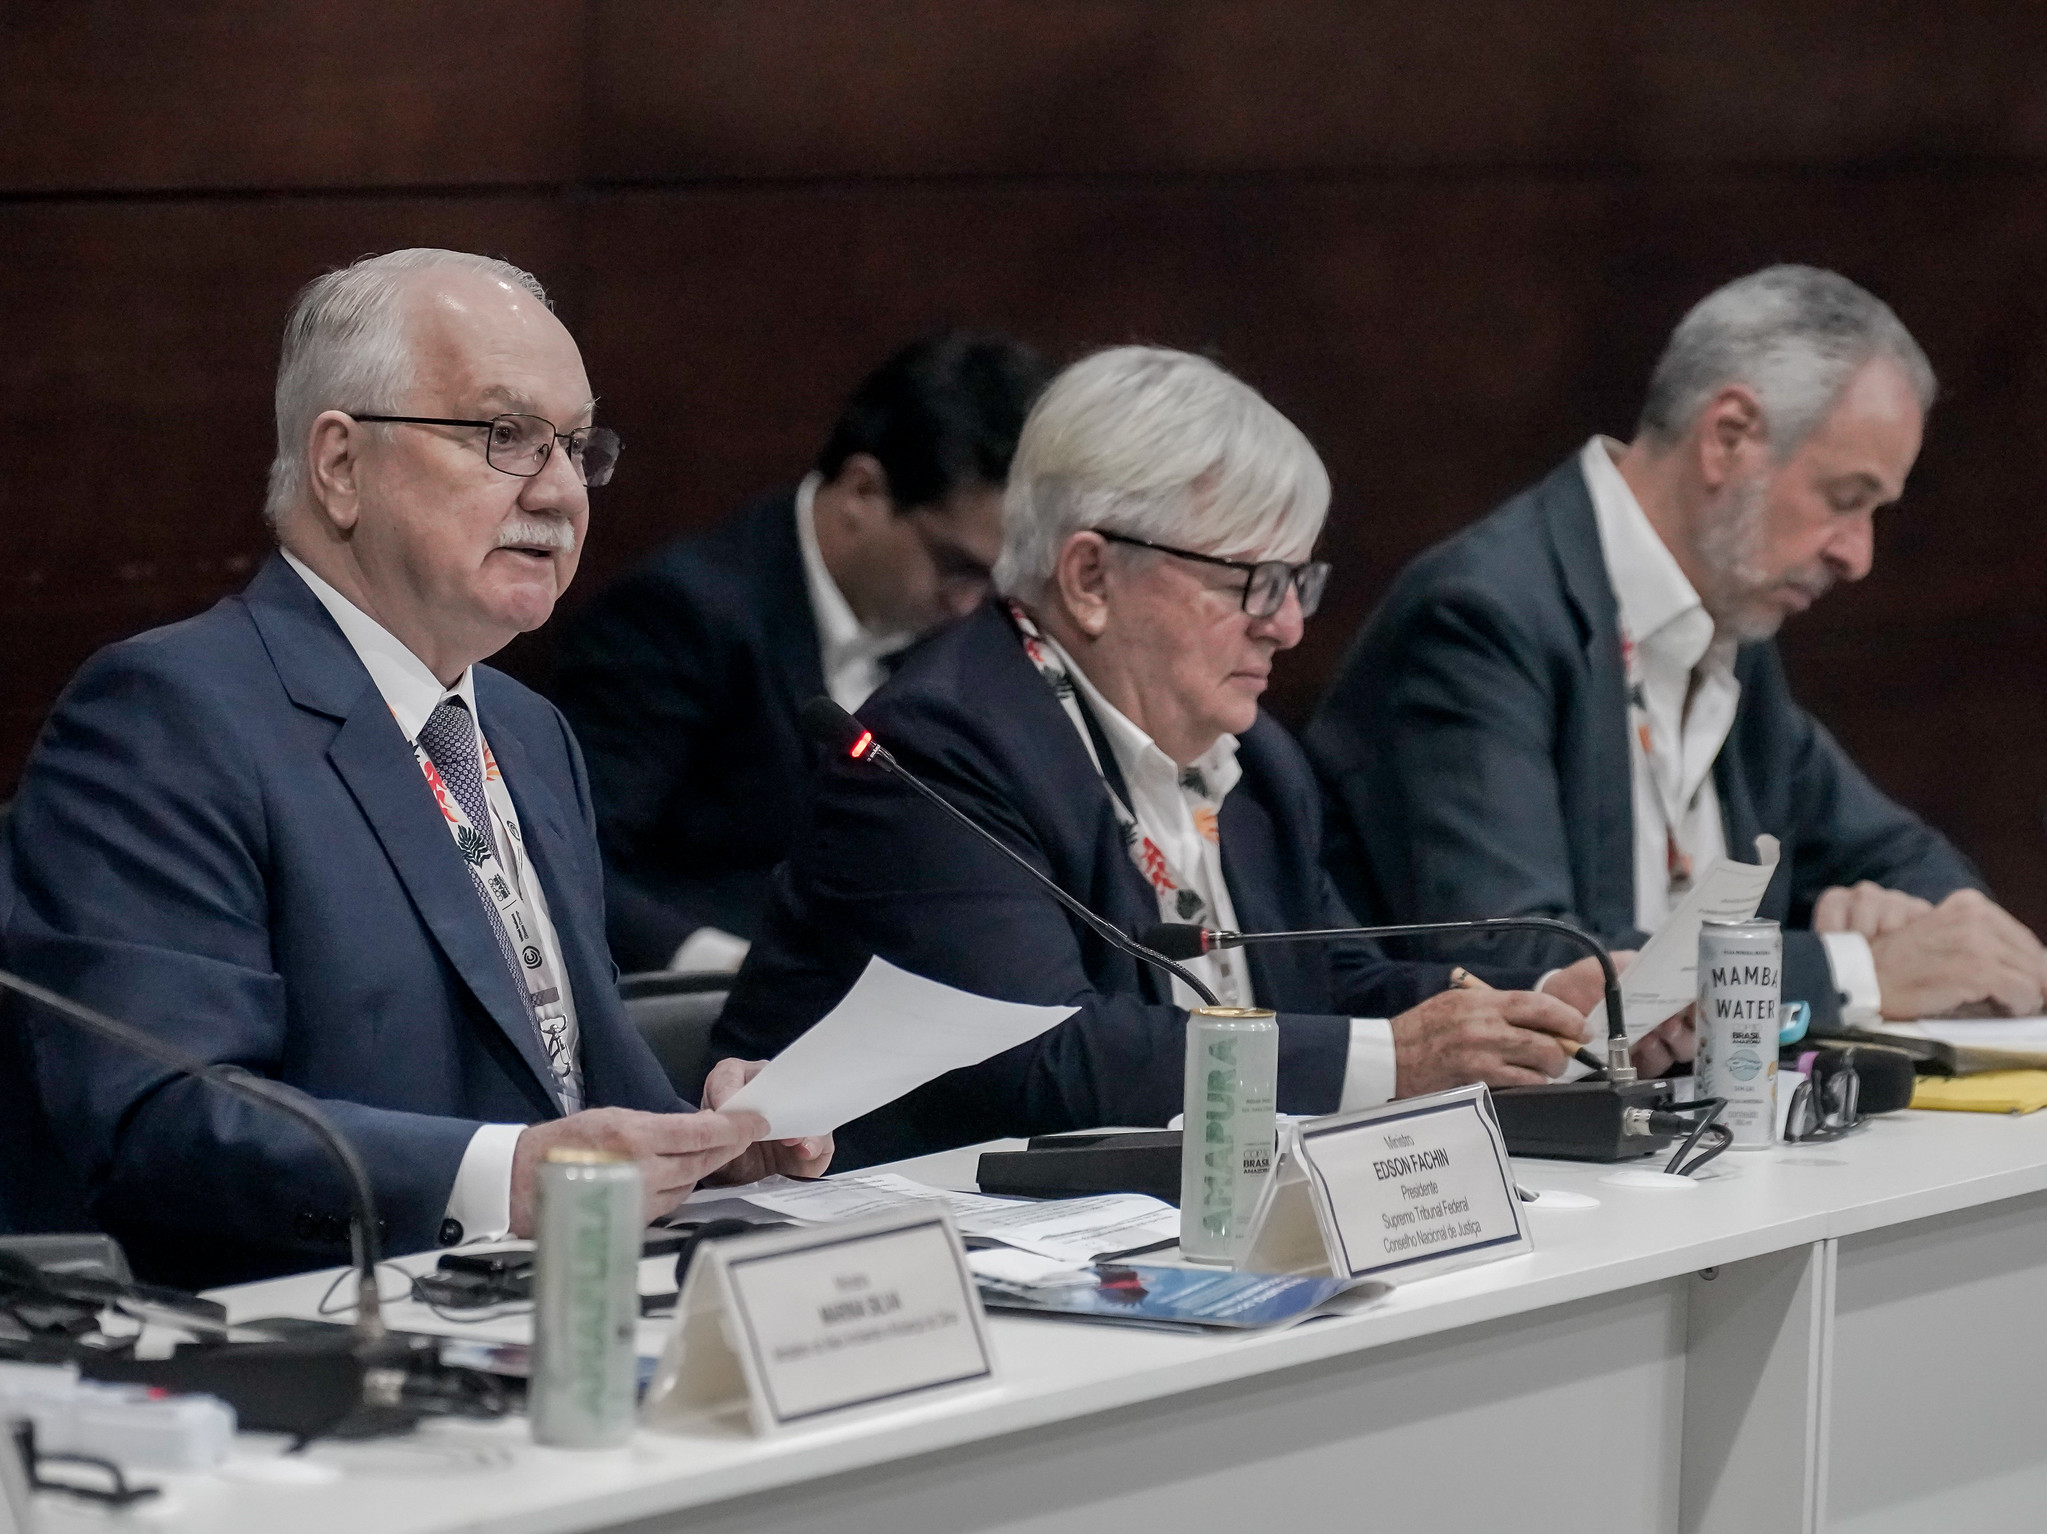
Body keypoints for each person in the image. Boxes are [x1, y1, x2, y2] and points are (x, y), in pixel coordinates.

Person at [1, 249, 827, 1287]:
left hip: (551, 1314)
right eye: (507, 437)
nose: (563, 492)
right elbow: (158, 1117)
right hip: (292, 1350)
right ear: (340, 464)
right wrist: (508, 1174)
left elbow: (565, 1079)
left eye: (575, 446)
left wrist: (703, 1144)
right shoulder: (169, 716)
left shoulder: (528, 731)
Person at [715, 346, 1640, 1170]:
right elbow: (1044, 1058)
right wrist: (1396, 1059)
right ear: (1090, 578)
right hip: (922, 1260)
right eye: (1252, 584)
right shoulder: (940, 751)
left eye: (1299, 580)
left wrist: (1531, 1006)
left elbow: (1333, 980)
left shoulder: (1255, 763)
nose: (1287, 624)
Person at [1307, 265, 2046, 1031]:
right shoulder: (1482, 615)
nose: (1856, 556)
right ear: (1728, 438)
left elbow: (1910, 864)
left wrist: (1916, 925)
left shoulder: (1729, 623)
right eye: (1844, 500)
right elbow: (1521, 961)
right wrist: (1858, 970)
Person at [553, 332, 1053, 974]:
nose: (969, 604)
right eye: (957, 566)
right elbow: (571, 860)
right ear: (863, 492)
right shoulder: (679, 617)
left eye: (998, 581)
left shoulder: (970, 639)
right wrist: (721, 965)